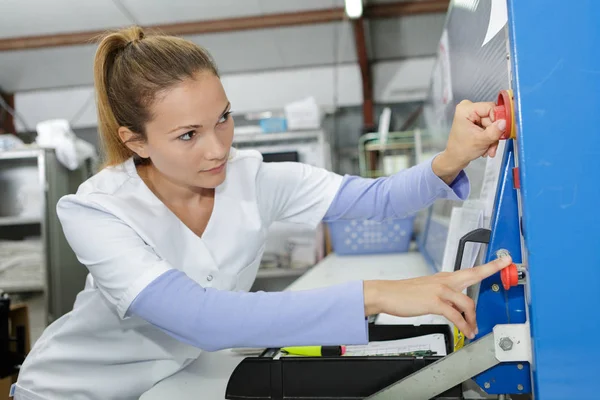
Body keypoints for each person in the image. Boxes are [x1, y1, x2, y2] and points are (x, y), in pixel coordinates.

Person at [11, 26, 511, 400]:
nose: (217, 148)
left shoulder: (253, 178)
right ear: (135, 141)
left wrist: (452, 158)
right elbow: (202, 319)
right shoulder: (95, 211)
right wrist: (380, 293)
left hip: (172, 383)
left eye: (223, 118)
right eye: (188, 135)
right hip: (72, 391)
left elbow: (374, 200)